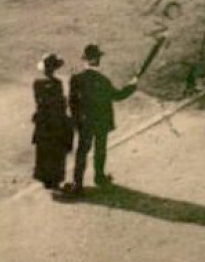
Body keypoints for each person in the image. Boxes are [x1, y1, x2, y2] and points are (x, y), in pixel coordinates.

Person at [67, 43, 137, 192]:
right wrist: (132, 86)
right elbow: (118, 96)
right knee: (100, 149)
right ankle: (99, 177)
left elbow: (72, 103)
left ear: (85, 60)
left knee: (82, 151)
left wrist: (76, 122)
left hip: (85, 122)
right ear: (98, 60)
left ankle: (77, 183)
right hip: (101, 122)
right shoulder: (103, 81)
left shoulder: (76, 79)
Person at [31, 53, 72, 191]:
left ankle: (45, 179)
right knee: (56, 151)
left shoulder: (37, 83)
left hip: (43, 122)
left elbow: (40, 102)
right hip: (56, 122)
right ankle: (54, 179)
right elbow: (60, 104)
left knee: (44, 150)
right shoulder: (57, 83)